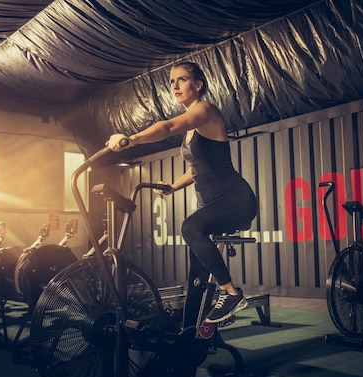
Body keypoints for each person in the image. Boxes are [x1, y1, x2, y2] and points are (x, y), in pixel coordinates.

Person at [106, 61, 257, 324]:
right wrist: (174, 186)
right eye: (172, 81)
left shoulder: (206, 111)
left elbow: (166, 127)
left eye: (182, 80)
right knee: (196, 248)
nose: (174, 86)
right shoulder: (192, 126)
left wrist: (132, 139)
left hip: (236, 199)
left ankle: (231, 294)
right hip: (213, 202)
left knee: (190, 228)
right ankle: (195, 324)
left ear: (197, 85)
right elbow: (197, 167)